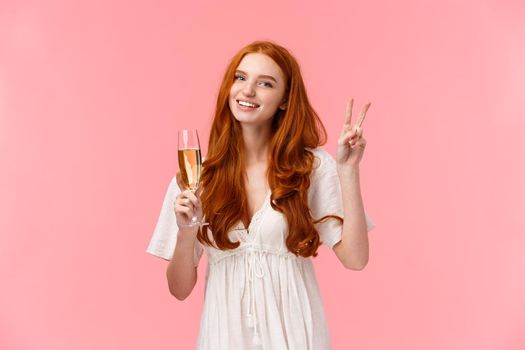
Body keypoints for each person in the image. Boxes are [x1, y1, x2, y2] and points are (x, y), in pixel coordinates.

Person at [146, 40, 376, 349]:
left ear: (284, 100)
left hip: (296, 338)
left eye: (265, 83)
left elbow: (356, 258)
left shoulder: (310, 167)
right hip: (223, 339)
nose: (248, 90)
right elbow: (179, 289)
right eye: (240, 78)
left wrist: (348, 172)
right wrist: (186, 231)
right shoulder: (196, 178)